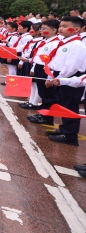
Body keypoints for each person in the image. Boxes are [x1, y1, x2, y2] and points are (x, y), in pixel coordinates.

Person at [43, 16, 86, 146]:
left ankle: (70, 135)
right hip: (59, 76)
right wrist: (51, 75)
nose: (61, 28)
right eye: (61, 26)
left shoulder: (77, 45)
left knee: (70, 107)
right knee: (63, 105)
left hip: (69, 78)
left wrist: (59, 78)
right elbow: (56, 61)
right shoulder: (64, 42)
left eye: (65, 26)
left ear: (76, 29)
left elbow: (71, 66)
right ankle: (64, 129)